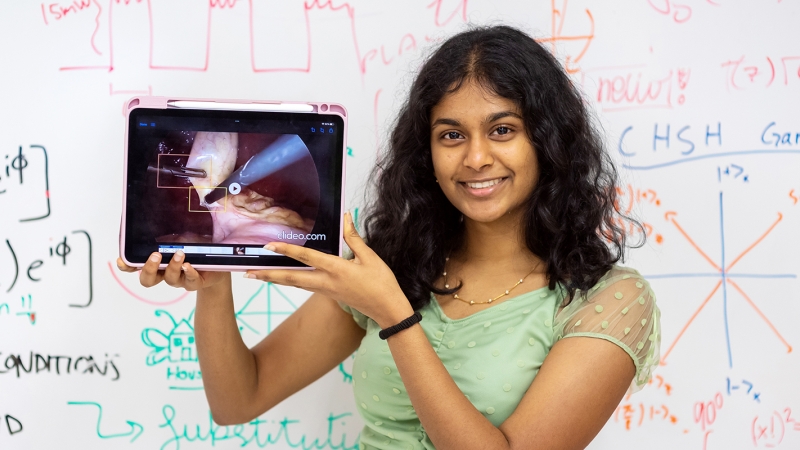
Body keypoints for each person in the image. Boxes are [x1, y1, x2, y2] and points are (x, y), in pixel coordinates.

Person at [118, 25, 661, 450]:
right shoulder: (394, 265)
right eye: (451, 135)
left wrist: (394, 316)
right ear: (425, 152)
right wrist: (214, 285)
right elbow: (239, 400)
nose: (475, 158)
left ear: (548, 141)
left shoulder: (609, 300)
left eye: (502, 130)